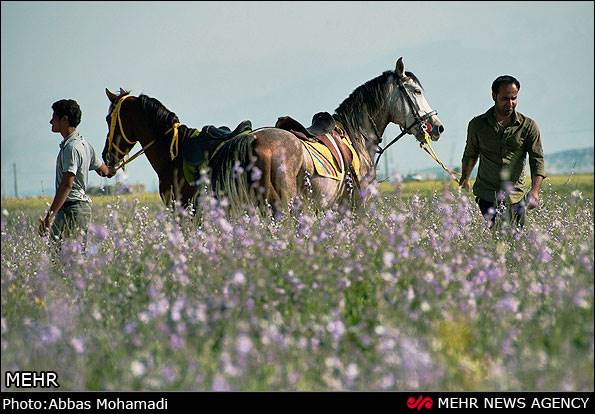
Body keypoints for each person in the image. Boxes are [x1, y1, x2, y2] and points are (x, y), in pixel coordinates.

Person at [459, 75, 546, 229]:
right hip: (487, 194)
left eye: (514, 98)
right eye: (505, 98)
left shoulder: (528, 126)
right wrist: (465, 178)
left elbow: (537, 160)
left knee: (515, 240)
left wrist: (535, 191)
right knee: (498, 235)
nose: (510, 103)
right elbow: (471, 154)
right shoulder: (477, 125)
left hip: (515, 196)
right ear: (494, 96)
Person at [38, 99, 115, 250]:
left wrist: (49, 217)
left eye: (54, 116)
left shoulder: (71, 148)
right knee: (67, 260)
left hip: (71, 210)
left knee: (63, 259)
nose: (50, 121)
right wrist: (112, 170)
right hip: (77, 209)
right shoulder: (84, 144)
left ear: (65, 119)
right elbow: (104, 170)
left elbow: (67, 184)